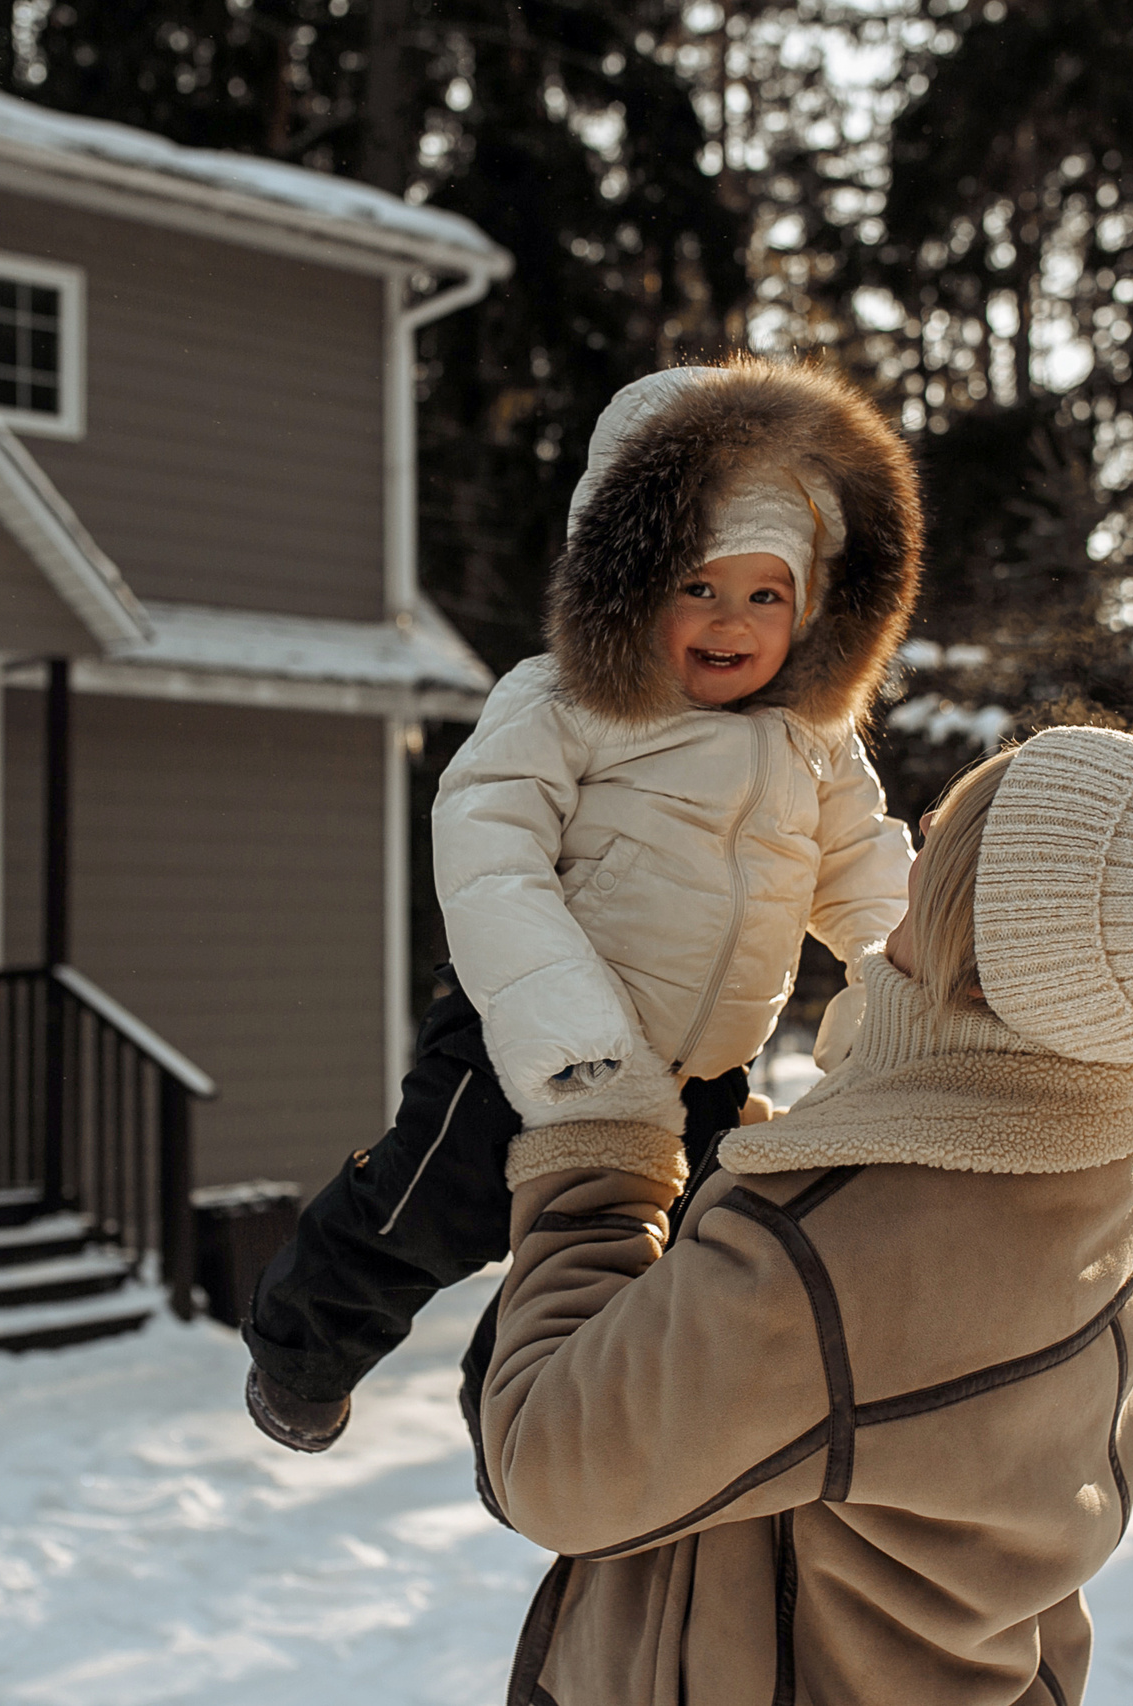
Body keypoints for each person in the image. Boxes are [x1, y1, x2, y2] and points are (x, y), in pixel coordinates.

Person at [477, 725, 1133, 1704]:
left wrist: (596, 1165)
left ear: (971, 943)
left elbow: (542, 1460)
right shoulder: (1083, 1158)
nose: (906, 857)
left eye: (934, 849)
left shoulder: (838, 1244)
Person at [244, 356, 925, 1450]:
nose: (729, 621)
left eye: (765, 593)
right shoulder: (563, 705)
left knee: (642, 1266)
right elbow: (489, 851)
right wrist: (565, 1039)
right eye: (696, 586)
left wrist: (922, 969)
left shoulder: (816, 742)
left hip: (700, 1074)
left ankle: (527, 1426)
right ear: (629, 584)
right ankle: (300, 1349)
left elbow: (863, 868)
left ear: (811, 609)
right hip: (521, 1039)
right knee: (432, 1212)